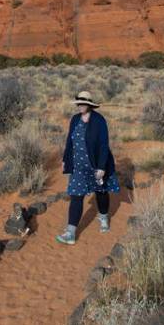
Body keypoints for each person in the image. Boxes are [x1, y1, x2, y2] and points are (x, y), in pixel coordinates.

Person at [56, 91, 119, 245]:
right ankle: (70, 233)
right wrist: (65, 159)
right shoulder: (75, 119)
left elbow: (104, 145)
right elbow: (69, 141)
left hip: (96, 163)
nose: (80, 106)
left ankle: (103, 217)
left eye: (83, 104)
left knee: (101, 192)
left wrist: (102, 167)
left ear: (90, 105)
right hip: (78, 165)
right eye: (79, 103)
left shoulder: (99, 120)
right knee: (76, 196)